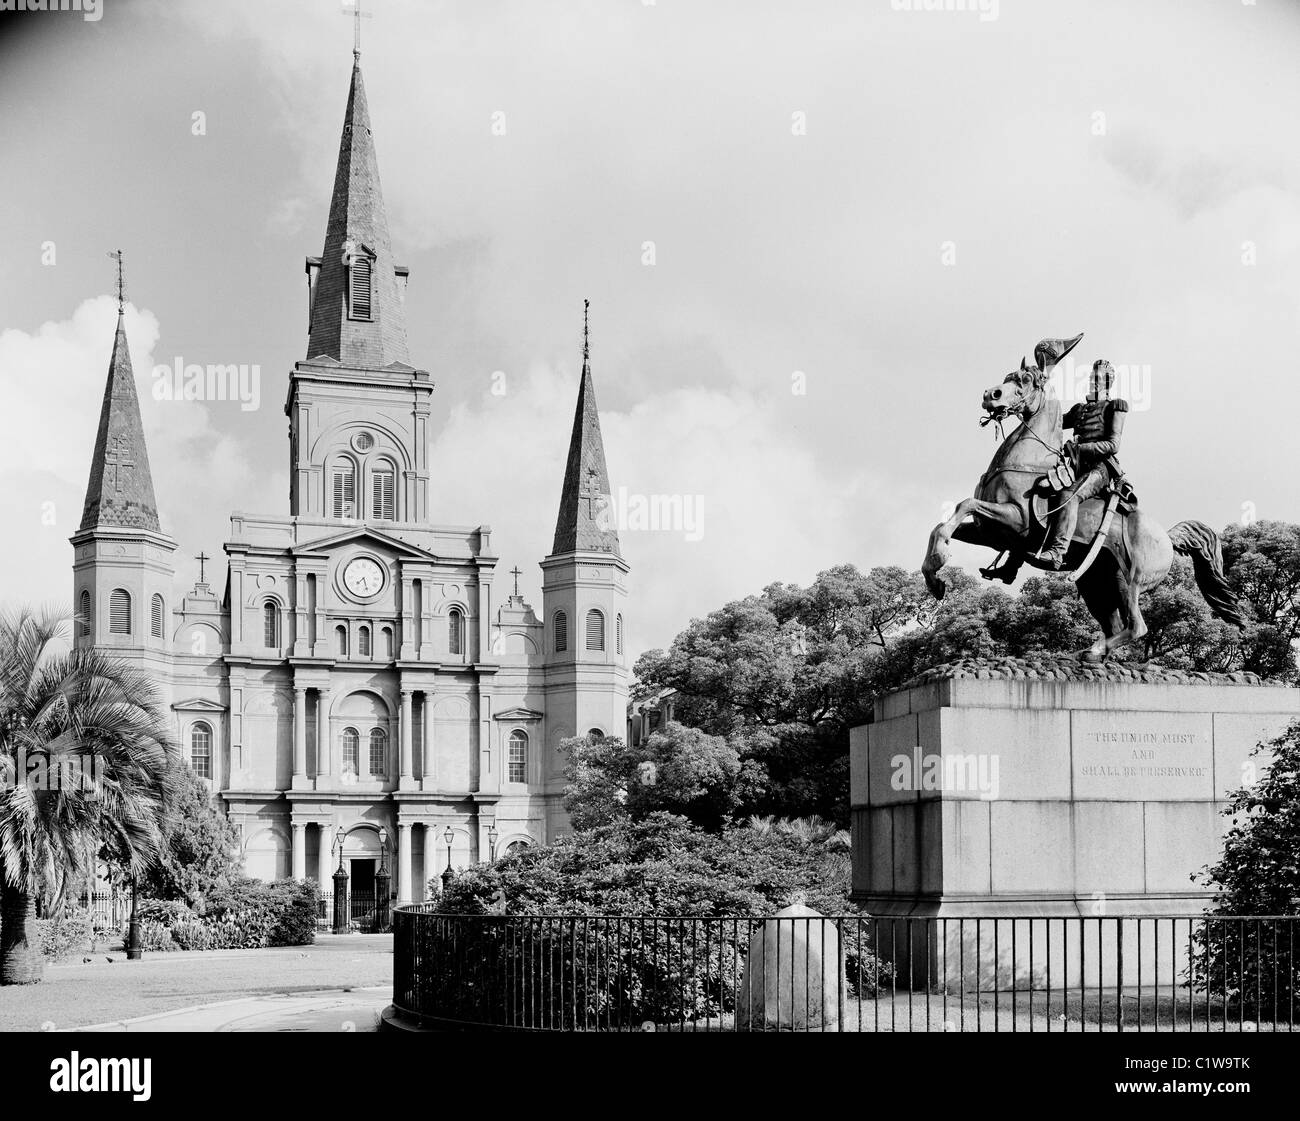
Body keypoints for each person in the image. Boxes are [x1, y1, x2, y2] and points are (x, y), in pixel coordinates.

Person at [1034, 359, 1128, 570]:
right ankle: (1014, 559)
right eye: (1091, 377)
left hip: (1101, 468)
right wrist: (1040, 387)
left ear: (1108, 381)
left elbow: (1113, 445)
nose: (1092, 381)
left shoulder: (1115, 406)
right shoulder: (1080, 410)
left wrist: (1079, 449)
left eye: (1097, 378)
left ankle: (1058, 551)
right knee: (1037, 489)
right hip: (1074, 466)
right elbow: (1053, 422)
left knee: (1069, 495)